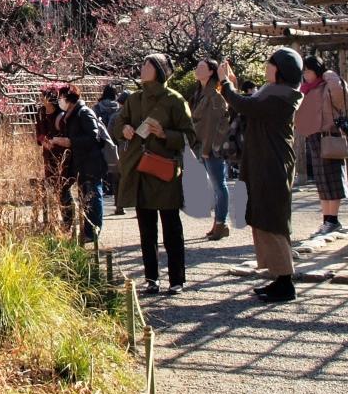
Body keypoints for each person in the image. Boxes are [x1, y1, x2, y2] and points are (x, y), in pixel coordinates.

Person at [219, 50, 303, 303]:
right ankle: (278, 277)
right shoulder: (273, 92)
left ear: (281, 70)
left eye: (271, 64)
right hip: (264, 162)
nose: (266, 67)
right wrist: (231, 86)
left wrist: (225, 85)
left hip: (272, 164)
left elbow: (247, 106)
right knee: (263, 217)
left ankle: (286, 281)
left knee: (273, 220)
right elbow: (248, 105)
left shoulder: (283, 97)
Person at [113, 54, 195, 295]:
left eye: (147, 65)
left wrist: (164, 135)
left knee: (171, 227)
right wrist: (124, 129)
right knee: (146, 229)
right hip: (139, 170)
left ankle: (177, 279)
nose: (141, 68)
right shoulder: (134, 99)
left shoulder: (174, 100)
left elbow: (190, 137)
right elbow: (118, 126)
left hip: (163, 170)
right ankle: (151, 278)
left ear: (159, 70)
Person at [295, 55, 348, 237]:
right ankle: (327, 219)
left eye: (308, 71)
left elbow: (339, 92)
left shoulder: (327, 85)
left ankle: (333, 219)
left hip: (329, 135)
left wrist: (328, 74)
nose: (306, 75)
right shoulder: (307, 89)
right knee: (321, 180)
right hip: (314, 136)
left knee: (332, 178)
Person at [52, 85, 107, 240]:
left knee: (93, 196)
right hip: (80, 163)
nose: (59, 100)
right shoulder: (71, 115)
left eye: (61, 97)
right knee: (84, 196)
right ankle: (87, 230)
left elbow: (93, 137)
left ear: (68, 98)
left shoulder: (84, 113)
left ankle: (93, 232)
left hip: (91, 162)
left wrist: (70, 142)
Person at [190, 58, 232, 240]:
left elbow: (213, 122)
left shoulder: (215, 92)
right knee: (215, 186)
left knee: (219, 184)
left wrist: (207, 148)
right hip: (203, 144)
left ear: (211, 72)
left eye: (201, 67)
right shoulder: (201, 91)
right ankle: (219, 222)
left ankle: (222, 223)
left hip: (212, 146)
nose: (197, 70)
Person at [34, 86, 68, 223]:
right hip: (47, 154)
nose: (41, 99)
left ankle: (67, 219)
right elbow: (38, 131)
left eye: (43, 97)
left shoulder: (61, 114)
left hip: (61, 154)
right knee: (52, 185)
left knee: (63, 186)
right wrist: (43, 141)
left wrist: (55, 141)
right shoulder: (41, 112)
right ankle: (54, 218)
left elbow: (66, 135)